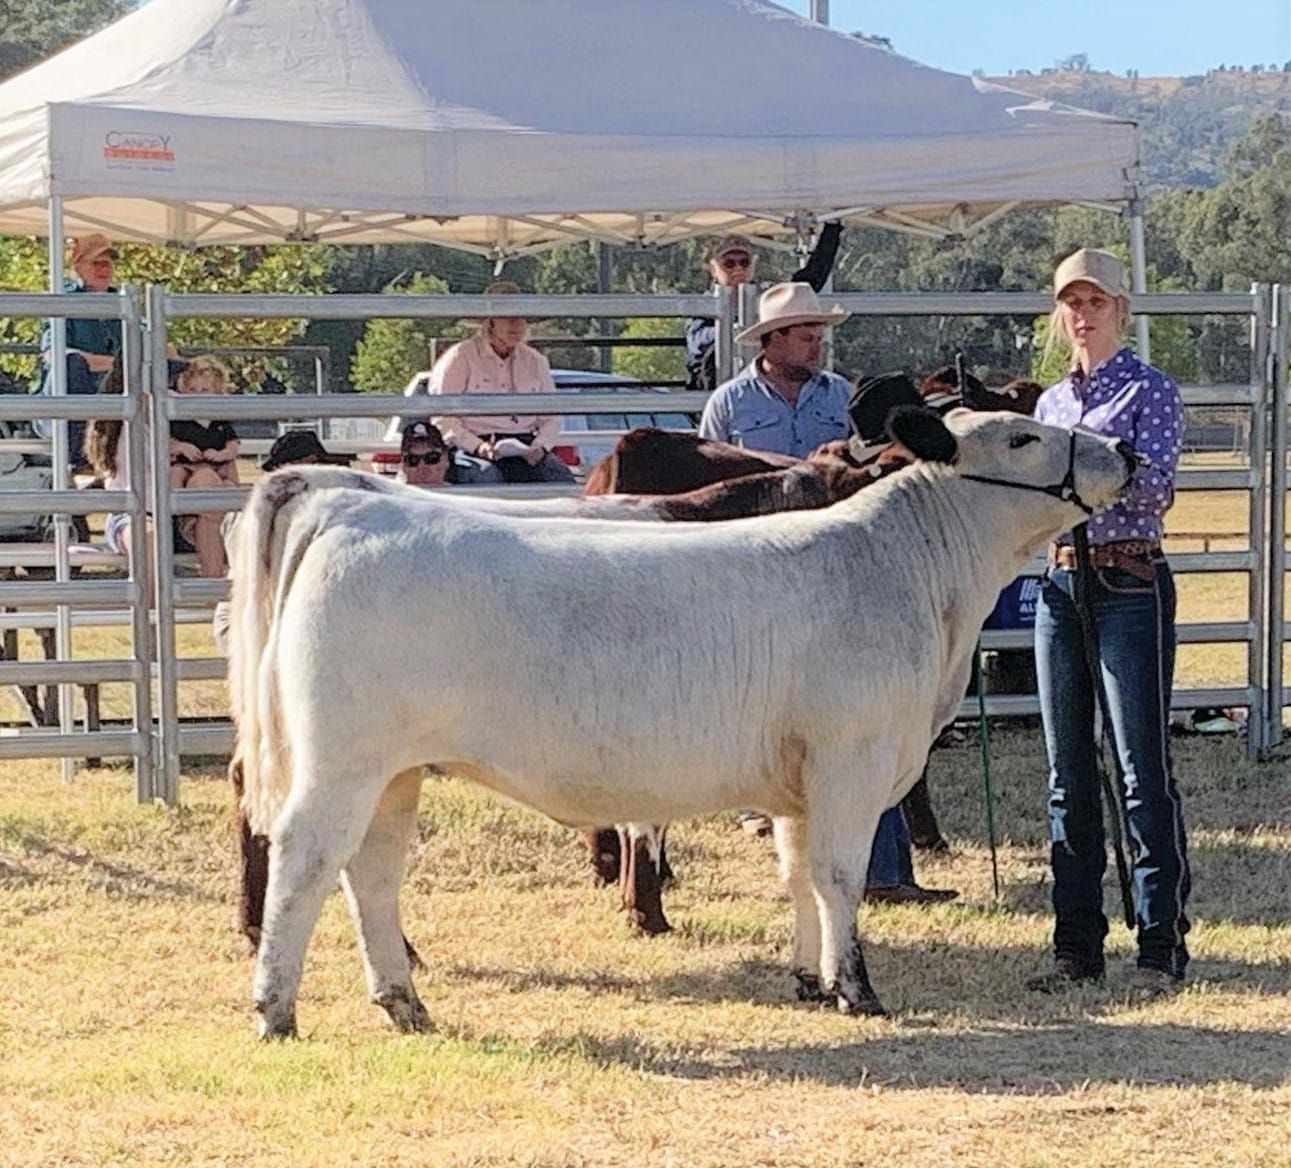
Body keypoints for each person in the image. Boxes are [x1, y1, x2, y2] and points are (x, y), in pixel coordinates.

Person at [700, 283, 956, 905]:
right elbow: (711, 477)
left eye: (818, 333)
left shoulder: (842, 397)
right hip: (757, 569)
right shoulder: (728, 403)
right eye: (805, 334)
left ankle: (872, 867)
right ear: (772, 340)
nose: (817, 343)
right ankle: (781, 815)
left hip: (837, 574)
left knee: (850, 712)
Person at [1027, 248, 1190, 995]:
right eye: (1073, 304)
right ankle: (1075, 946)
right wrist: (1088, 476)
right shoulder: (1050, 404)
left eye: (1095, 303)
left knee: (1138, 767)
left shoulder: (1150, 389)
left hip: (1128, 580)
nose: (1083, 316)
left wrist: (1078, 475)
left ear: (1119, 309)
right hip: (1063, 580)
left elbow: (1154, 489)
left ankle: (1159, 944)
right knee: (1067, 772)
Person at [415, 280, 574, 485]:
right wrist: (477, 446)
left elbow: (552, 416)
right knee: (487, 477)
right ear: (490, 322)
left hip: (526, 447)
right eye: (507, 317)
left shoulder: (536, 361)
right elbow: (443, 417)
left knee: (561, 479)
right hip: (472, 448)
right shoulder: (461, 357)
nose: (516, 324)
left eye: (521, 318)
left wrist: (540, 447)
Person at [685, 225, 842, 393]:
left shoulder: (767, 299)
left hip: (764, 384)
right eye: (729, 264)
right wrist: (734, 330)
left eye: (744, 262)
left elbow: (806, 283)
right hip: (713, 387)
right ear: (713, 269)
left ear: (753, 265)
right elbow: (697, 342)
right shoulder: (704, 304)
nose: (738, 269)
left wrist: (831, 231)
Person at [38, 232, 123, 470]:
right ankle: (77, 464)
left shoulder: (123, 302)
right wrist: (119, 363)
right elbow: (54, 355)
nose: (104, 269)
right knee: (73, 364)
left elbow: (147, 345)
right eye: (97, 262)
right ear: (78, 267)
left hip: (111, 404)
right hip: (63, 411)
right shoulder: (62, 300)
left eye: (108, 263)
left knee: (173, 363)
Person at [168, 356, 239, 578]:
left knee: (227, 489)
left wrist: (221, 454)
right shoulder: (179, 418)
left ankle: (216, 567)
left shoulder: (219, 421)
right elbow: (168, 443)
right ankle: (179, 518)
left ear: (218, 392)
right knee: (187, 477)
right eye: (192, 390)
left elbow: (232, 445)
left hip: (217, 469)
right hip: (190, 469)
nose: (198, 395)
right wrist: (182, 447)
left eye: (205, 390)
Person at [397, 421, 453, 487]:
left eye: (431, 458)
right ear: (403, 465)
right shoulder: (394, 493)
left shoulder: (459, 492)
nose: (422, 466)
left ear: (446, 459)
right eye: (412, 460)